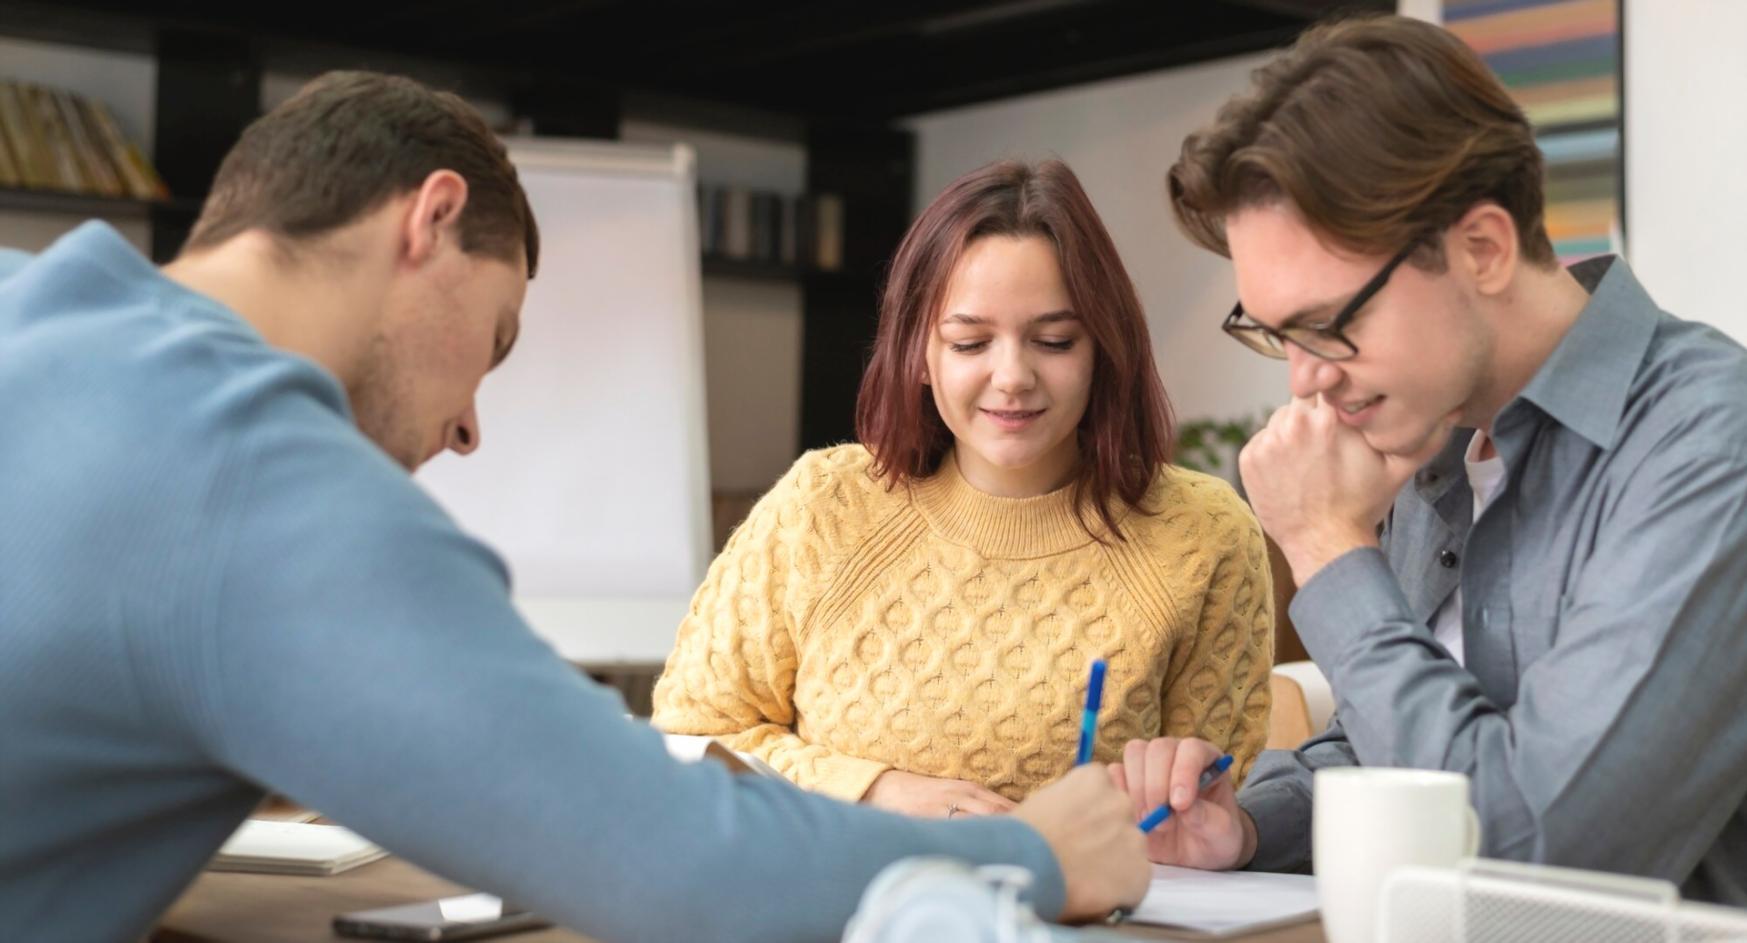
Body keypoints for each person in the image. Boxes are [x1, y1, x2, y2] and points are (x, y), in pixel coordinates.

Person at [0, 71, 1152, 942]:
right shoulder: (259, 476)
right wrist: (1031, 853)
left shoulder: (30, 303)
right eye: (494, 341)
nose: (467, 427)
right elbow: (671, 861)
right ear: (430, 220)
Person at [1124, 14, 1747, 902]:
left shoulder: (1707, 439)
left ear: (1482, 249)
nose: (1303, 379)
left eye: (1326, 324)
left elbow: (1543, 850)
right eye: (1274, 333)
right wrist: (1254, 825)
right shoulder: (1431, 430)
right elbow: (1400, 741)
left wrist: (1327, 547)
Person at [652, 159, 1275, 829]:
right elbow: (689, 738)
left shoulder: (1201, 533)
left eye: (1054, 340)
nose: (1011, 377)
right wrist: (872, 789)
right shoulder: (821, 507)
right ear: (919, 353)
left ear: (1103, 348)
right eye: (970, 342)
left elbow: (1215, 811)